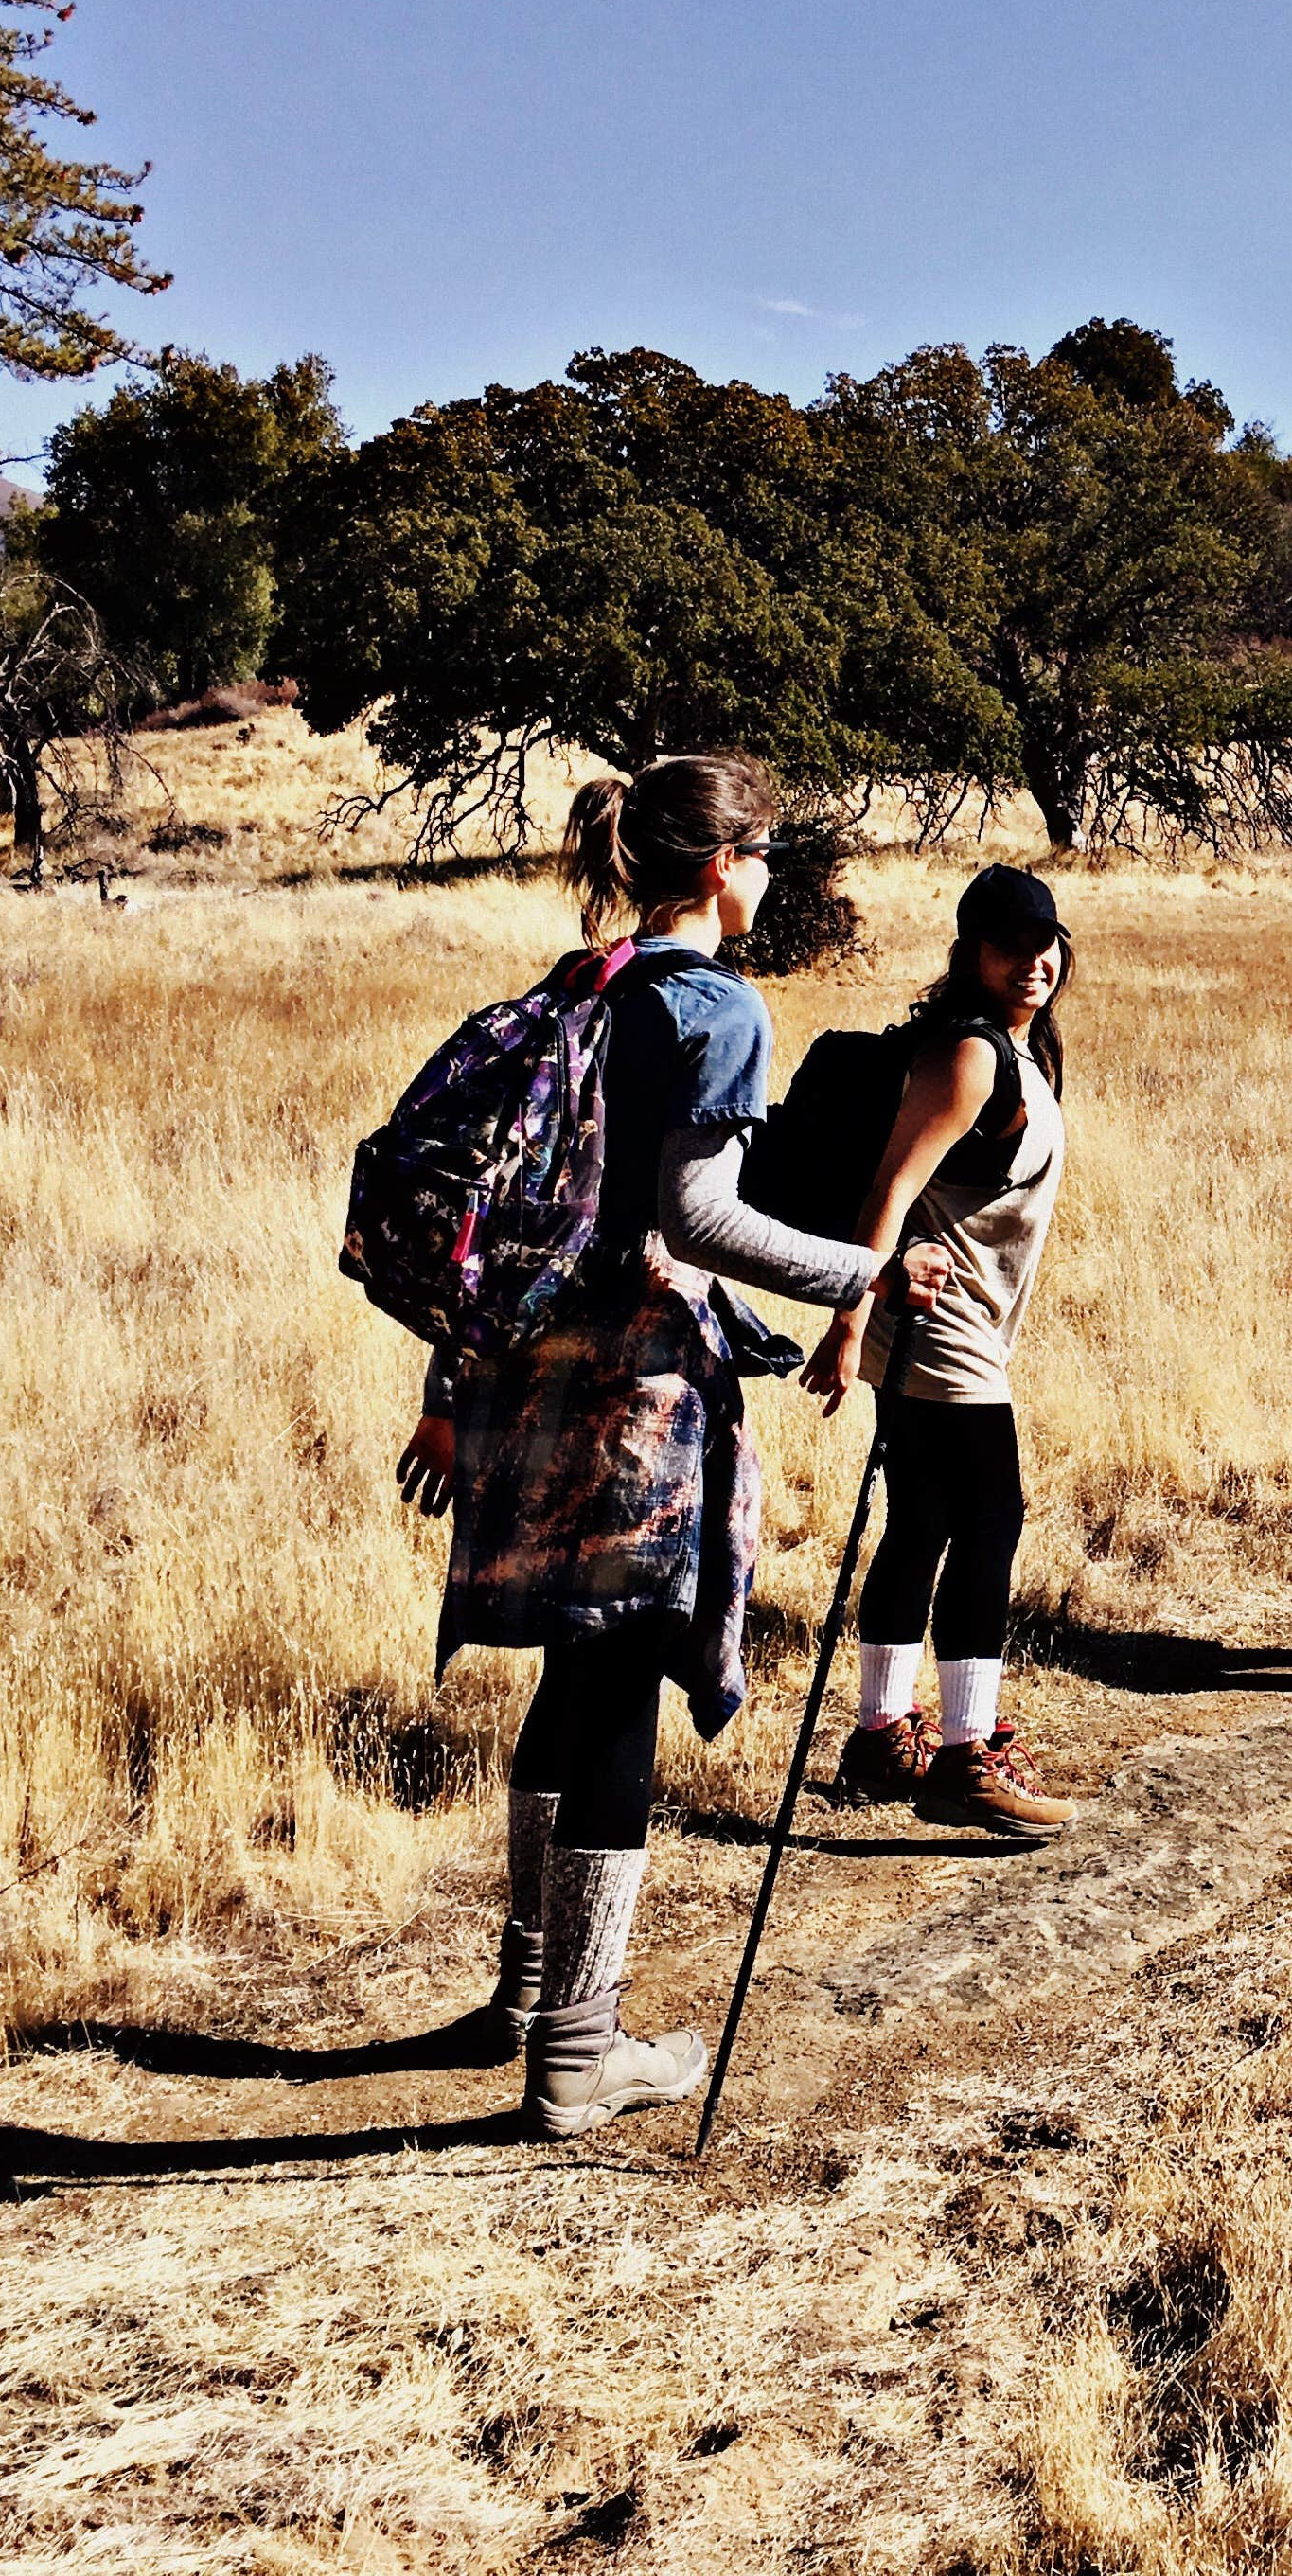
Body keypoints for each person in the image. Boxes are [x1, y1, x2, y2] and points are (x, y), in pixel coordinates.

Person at [396, 755, 941, 2138]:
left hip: (525, 1380)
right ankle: (579, 2054)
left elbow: (502, 1213)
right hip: (634, 1399)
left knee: (572, 1684)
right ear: (718, 864)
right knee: (623, 1690)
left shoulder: (579, 990)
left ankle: (526, 1996)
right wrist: (858, 1275)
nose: (771, 874)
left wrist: (448, 1383)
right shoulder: (715, 1008)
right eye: (763, 851)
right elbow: (696, 1219)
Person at [802, 863, 1081, 1841]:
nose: (1033, 962)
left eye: (1045, 943)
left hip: (943, 1327)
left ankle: (882, 1732)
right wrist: (843, 1322)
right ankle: (966, 1755)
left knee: (920, 1518)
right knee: (990, 1515)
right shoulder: (967, 1056)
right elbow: (888, 1189)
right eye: (1009, 947)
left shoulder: (1017, 1049)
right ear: (971, 955)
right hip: (935, 1327)